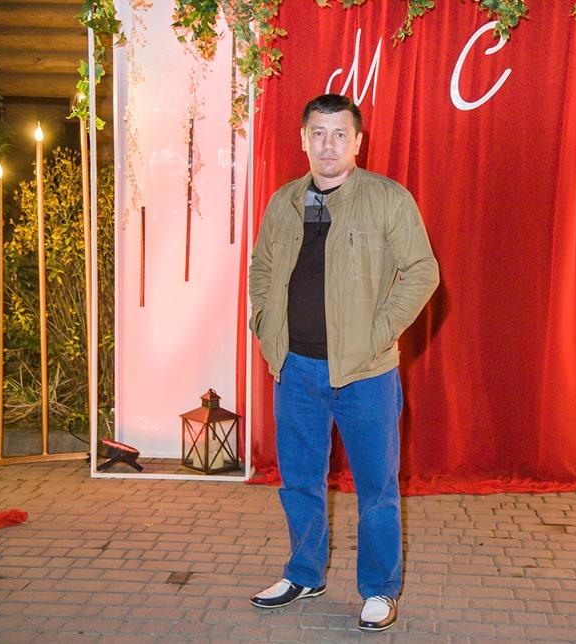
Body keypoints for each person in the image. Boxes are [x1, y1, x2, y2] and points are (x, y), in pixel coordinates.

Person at [247, 93, 439, 632]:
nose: (327, 144)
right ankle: (304, 573)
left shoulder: (387, 198)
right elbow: (261, 268)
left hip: (366, 374)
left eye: (338, 134)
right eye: (318, 133)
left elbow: (422, 271)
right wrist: (264, 325)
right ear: (303, 139)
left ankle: (379, 589)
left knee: (376, 488)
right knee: (299, 482)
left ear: (357, 142)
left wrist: (380, 332)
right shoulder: (285, 202)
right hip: (295, 370)